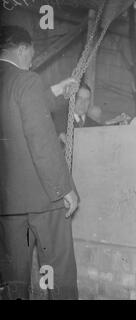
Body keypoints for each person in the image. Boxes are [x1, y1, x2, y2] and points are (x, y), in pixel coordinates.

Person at [0, 25, 79, 299]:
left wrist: (56, 90)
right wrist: (64, 188)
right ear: (22, 50)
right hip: (43, 202)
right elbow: (42, 142)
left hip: (8, 206)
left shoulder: (15, 84)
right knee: (58, 275)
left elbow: (16, 107)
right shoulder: (27, 80)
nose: (32, 59)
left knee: (13, 280)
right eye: (31, 53)